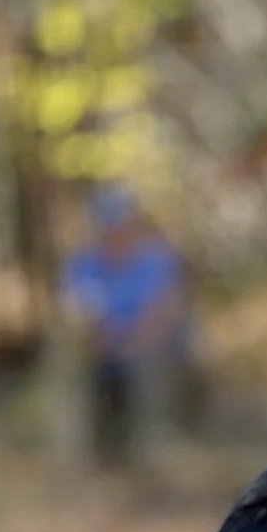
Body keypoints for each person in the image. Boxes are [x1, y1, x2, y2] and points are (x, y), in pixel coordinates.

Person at [60, 185, 188, 464]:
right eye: (107, 226)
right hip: (103, 346)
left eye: (120, 225)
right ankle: (80, 449)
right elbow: (76, 312)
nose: (114, 234)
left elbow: (163, 313)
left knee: (148, 365)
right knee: (70, 366)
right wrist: (98, 340)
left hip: (150, 344)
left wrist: (132, 344)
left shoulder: (157, 259)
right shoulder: (82, 264)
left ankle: (152, 443)